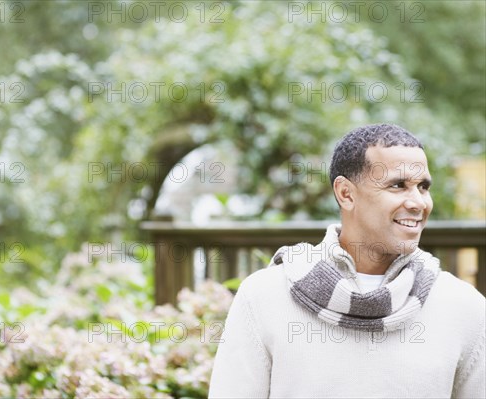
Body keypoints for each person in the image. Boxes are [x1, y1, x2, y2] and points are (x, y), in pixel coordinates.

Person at [208, 123, 485, 398]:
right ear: (346, 193)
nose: (418, 203)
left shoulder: (464, 308)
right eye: (398, 185)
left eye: (422, 187)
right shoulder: (265, 297)